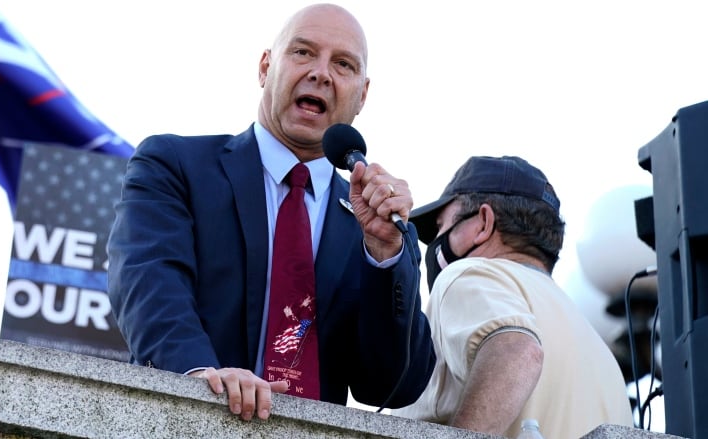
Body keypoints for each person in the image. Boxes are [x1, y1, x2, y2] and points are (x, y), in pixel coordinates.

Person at [106, 3, 435, 423]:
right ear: (265, 67)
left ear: (363, 94)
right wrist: (200, 376)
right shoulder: (175, 164)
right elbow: (149, 283)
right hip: (184, 420)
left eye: (343, 64)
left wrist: (387, 256)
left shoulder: (375, 223)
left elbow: (391, 383)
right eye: (302, 53)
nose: (321, 73)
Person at [391, 156, 633, 438]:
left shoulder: (467, 275)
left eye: (441, 226)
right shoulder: (596, 344)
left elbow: (517, 350)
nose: (435, 242)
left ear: (483, 222)